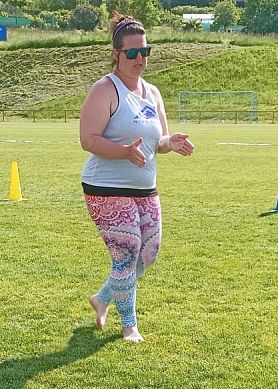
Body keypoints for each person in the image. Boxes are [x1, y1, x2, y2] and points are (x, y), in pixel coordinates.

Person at [79, 13, 194, 342]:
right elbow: (89, 139)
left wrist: (170, 143)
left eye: (145, 51)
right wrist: (124, 152)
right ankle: (129, 325)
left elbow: (157, 141)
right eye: (132, 53)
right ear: (116, 54)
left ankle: (102, 299)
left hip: (145, 188)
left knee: (148, 254)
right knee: (126, 253)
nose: (139, 58)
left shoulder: (153, 93)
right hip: (106, 187)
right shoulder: (105, 89)